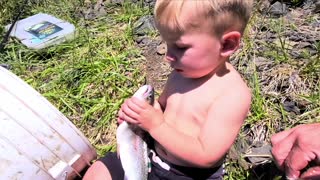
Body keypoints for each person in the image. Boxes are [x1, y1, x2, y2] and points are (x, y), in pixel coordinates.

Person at [84, 0, 253, 179]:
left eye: (180, 47)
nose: (168, 56)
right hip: (150, 154)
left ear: (227, 44)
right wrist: (140, 114)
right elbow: (162, 108)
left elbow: (206, 156)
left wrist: (156, 125)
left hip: (184, 174)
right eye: (167, 44)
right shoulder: (182, 73)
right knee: (98, 171)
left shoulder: (232, 95)